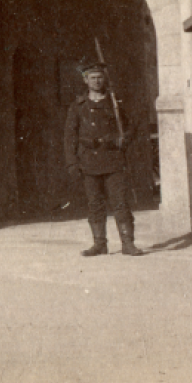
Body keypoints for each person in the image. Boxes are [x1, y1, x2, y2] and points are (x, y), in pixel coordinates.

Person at [64, 58, 142, 257]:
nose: (97, 81)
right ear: (85, 80)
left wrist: (123, 140)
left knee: (120, 203)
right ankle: (100, 243)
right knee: (94, 204)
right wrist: (72, 162)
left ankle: (127, 243)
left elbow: (132, 125)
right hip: (89, 161)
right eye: (93, 78)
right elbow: (70, 136)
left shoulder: (115, 103)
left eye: (100, 77)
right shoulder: (78, 106)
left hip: (112, 159)